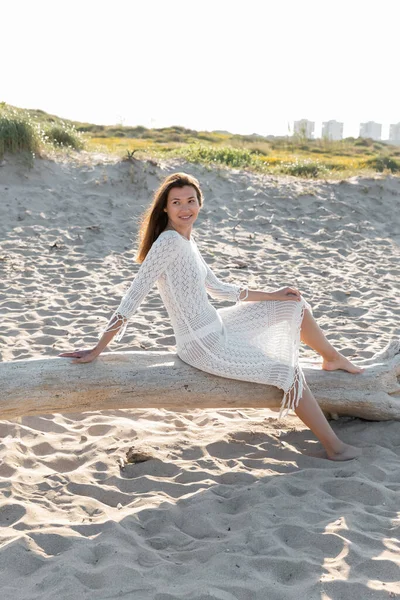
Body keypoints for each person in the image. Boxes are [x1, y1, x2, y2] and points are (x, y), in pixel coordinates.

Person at [60, 172, 364, 461]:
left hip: (218, 325)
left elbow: (219, 289)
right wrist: (98, 348)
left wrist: (273, 294)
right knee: (289, 373)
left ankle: (332, 358)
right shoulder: (167, 243)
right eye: (176, 202)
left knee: (293, 305)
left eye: (190, 200)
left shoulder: (187, 241)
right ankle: (334, 448)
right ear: (165, 208)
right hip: (202, 345)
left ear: (199, 204)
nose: (184, 208)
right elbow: (133, 296)